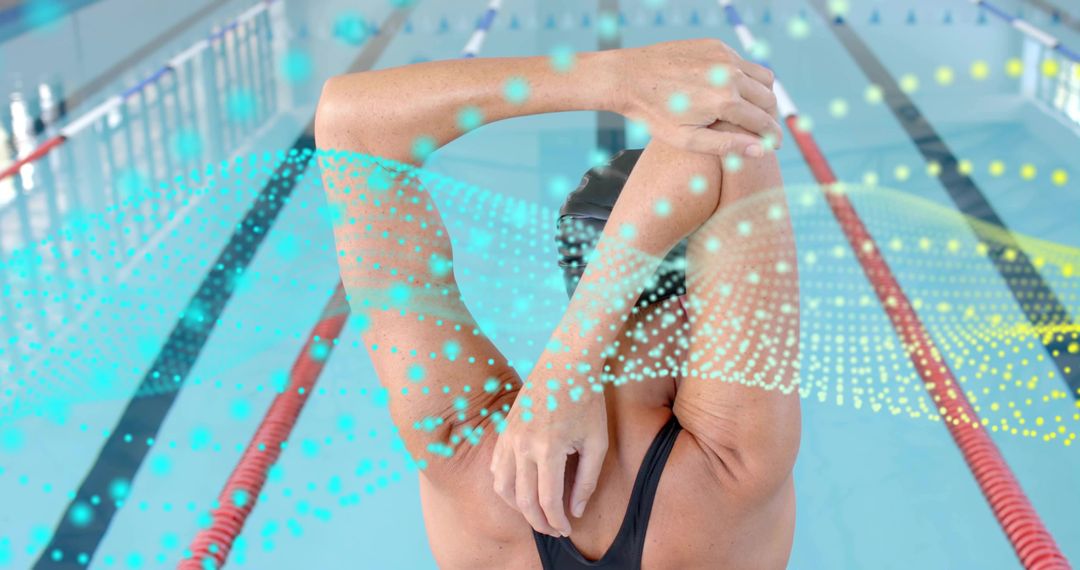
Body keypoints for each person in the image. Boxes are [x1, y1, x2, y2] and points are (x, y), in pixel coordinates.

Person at [315, 39, 802, 569]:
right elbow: (725, 130)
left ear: (578, 277)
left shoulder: (465, 453)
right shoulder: (733, 463)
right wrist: (569, 363)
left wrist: (612, 78)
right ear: (703, 299)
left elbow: (351, 127)